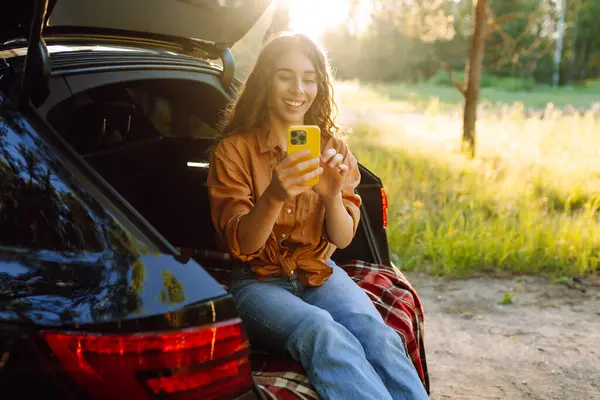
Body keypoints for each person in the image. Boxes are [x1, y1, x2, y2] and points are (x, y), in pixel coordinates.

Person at [207, 32, 429, 400]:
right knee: (322, 331)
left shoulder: (333, 148)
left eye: (309, 78)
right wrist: (275, 195)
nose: (298, 89)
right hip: (257, 283)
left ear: (319, 84)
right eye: (285, 76)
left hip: (318, 272)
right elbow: (243, 245)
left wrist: (330, 197)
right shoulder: (233, 151)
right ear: (266, 79)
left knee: (377, 334)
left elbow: (341, 238)